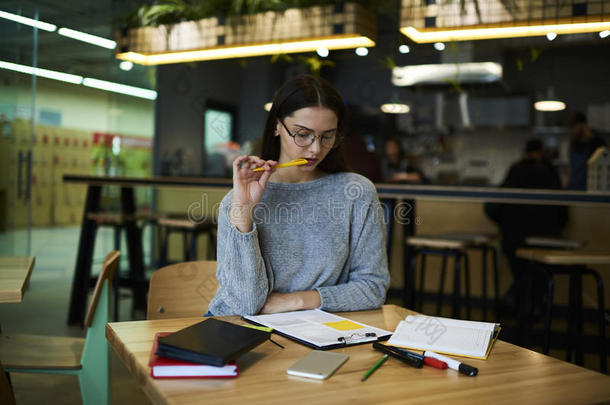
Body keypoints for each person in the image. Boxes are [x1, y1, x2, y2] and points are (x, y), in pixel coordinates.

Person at [207, 75, 390, 316]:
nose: (315, 148)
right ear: (276, 126)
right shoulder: (237, 200)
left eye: (327, 136)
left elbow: (372, 288)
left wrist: (294, 302)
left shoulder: (356, 193)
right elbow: (244, 305)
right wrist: (243, 210)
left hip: (317, 330)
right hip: (241, 330)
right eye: (302, 134)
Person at [485, 139, 567, 313]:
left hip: (513, 239)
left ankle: (515, 303)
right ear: (542, 151)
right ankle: (527, 306)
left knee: (523, 274)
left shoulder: (515, 171)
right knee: (537, 275)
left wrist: (506, 225)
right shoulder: (549, 172)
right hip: (545, 240)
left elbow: (491, 207)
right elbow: (563, 212)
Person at [566, 112, 607, 190]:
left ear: (583, 125)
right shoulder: (574, 144)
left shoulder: (597, 143)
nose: (571, 131)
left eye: (573, 127)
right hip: (572, 189)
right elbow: (570, 168)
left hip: (589, 191)